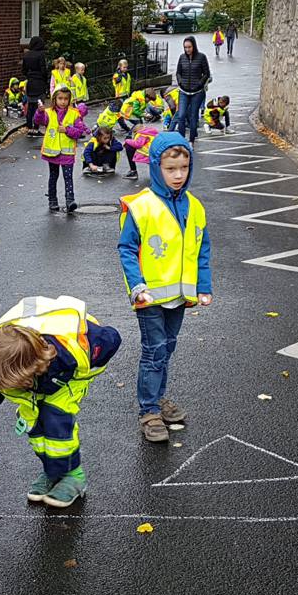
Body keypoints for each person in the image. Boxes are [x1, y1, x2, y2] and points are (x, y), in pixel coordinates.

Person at [0, 296, 121, 508]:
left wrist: (94, 356)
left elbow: (113, 338)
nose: (2, 389)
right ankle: (53, 470)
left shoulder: (67, 354)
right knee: (33, 422)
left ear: (30, 372)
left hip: (66, 377)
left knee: (55, 417)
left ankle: (74, 476)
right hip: (37, 379)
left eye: (10, 385)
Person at [117, 132, 212, 442]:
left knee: (167, 349)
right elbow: (127, 249)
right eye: (171, 169)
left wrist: (203, 285)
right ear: (156, 167)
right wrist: (136, 286)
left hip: (179, 297)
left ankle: (157, 398)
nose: (178, 175)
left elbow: (202, 248)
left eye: (184, 168)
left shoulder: (195, 206)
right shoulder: (142, 206)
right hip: (150, 298)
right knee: (154, 352)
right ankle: (148, 411)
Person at [34, 86, 87, 213]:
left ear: (69, 100)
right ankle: (52, 200)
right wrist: (40, 112)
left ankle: (70, 200)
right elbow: (39, 121)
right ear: (54, 99)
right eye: (60, 98)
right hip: (52, 152)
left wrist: (67, 130)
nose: (63, 101)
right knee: (53, 176)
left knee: (68, 177)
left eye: (66, 99)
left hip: (67, 153)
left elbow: (80, 132)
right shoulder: (48, 112)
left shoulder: (74, 114)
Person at [174, 36, 212, 144]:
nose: (187, 49)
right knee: (181, 116)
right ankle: (181, 140)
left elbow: (206, 73)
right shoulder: (182, 58)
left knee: (193, 116)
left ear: (194, 46)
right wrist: (180, 81)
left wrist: (199, 84)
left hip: (197, 92)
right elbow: (178, 73)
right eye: (185, 47)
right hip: (183, 91)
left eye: (189, 47)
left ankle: (191, 140)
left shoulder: (201, 57)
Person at [21, 36, 49, 137]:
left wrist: (29, 75)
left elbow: (23, 70)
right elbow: (43, 70)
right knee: (39, 105)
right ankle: (36, 128)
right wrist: (45, 81)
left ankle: (29, 127)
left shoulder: (26, 55)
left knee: (31, 106)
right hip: (39, 82)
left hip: (30, 82)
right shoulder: (41, 55)